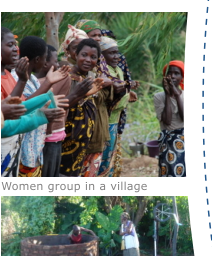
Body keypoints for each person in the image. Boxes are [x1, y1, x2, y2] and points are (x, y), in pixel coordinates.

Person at [11, 35, 70, 177]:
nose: (45, 62)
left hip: (34, 150)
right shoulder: (16, 78)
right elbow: (23, 107)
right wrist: (48, 83)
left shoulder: (33, 79)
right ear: (38, 59)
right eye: (44, 58)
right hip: (23, 151)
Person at [60, 38, 103, 177]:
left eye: (93, 57)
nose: (88, 60)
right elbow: (61, 107)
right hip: (66, 143)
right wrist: (80, 95)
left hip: (82, 144)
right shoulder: (67, 78)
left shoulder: (88, 80)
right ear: (76, 55)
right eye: (84, 55)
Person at [98, 37, 138, 177]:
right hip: (105, 122)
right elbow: (106, 95)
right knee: (104, 158)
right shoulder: (102, 72)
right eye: (111, 53)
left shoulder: (118, 70)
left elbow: (120, 89)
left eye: (117, 52)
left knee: (111, 157)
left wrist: (128, 92)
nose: (116, 56)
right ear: (102, 55)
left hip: (115, 121)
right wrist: (124, 89)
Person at [35, 45, 71, 177]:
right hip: (46, 139)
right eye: (55, 61)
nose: (58, 65)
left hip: (55, 137)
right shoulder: (37, 84)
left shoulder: (58, 80)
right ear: (45, 63)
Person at [154, 60, 185, 177]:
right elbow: (166, 121)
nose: (172, 76)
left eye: (176, 73)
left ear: (182, 77)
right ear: (164, 77)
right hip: (168, 141)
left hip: (184, 139)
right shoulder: (159, 97)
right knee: (168, 170)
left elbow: (185, 118)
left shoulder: (186, 96)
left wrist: (177, 95)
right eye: (169, 73)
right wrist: (168, 94)